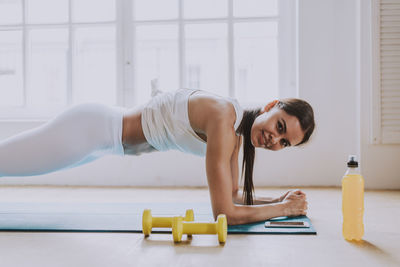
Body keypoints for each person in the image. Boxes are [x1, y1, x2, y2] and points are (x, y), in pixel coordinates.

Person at [0, 88, 315, 225]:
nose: (275, 138)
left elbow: (232, 197)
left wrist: (278, 200)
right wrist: (283, 210)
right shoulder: (222, 118)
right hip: (89, 131)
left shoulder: (233, 135)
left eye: (284, 142)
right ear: (271, 105)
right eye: (280, 125)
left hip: (101, 144)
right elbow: (225, 214)